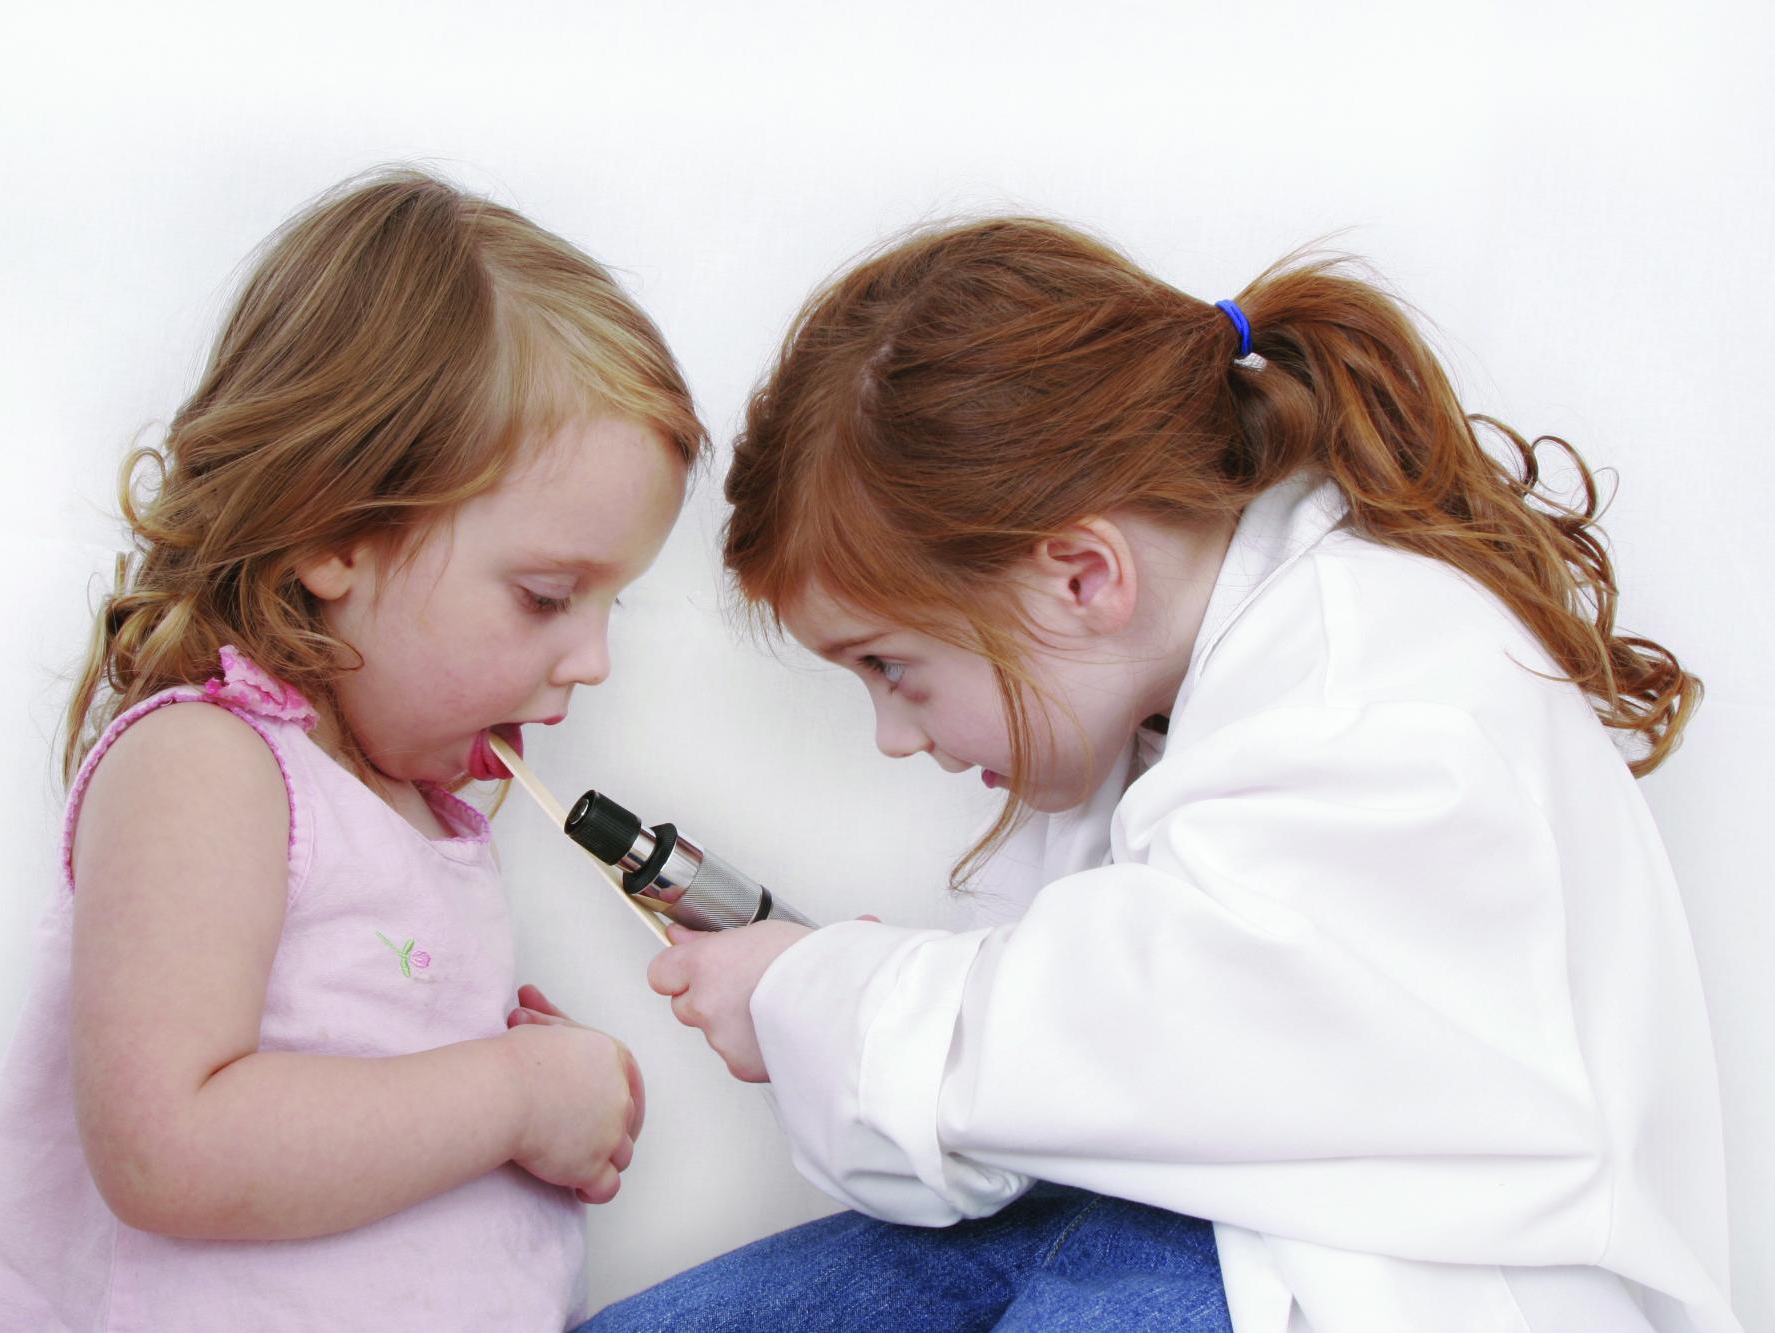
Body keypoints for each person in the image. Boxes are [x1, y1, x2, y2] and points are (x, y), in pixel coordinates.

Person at [592, 219, 1741, 1332]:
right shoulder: (1174, 705)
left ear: (1082, 577)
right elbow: (1044, 1101)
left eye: (890, 667)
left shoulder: (1365, 698)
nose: (895, 734)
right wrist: (846, 1004)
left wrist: (827, 1000)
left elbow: (1154, 1031)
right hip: (1216, 1231)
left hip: (1391, 1275)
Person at [0, 167, 705, 1332]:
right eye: (545, 596)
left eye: (607, 604)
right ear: (335, 534)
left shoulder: (418, 813)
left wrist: (546, 1085)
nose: (590, 659)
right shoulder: (206, 767)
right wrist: (513, 1094)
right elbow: (168, 1146)